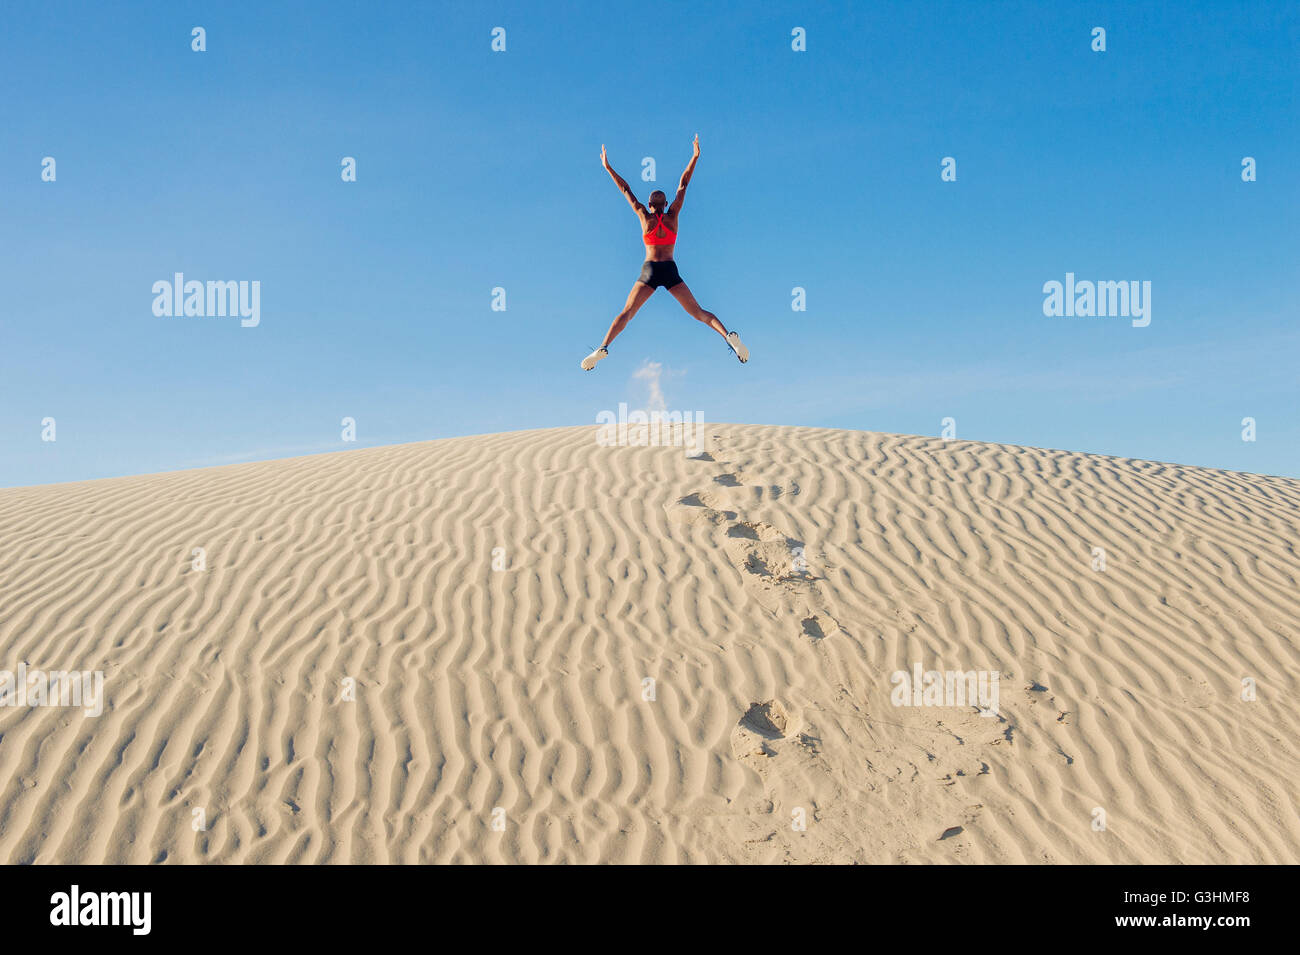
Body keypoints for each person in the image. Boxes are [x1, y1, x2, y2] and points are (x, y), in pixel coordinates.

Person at [581, 135, 748, 370]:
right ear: (666, 203)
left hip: (650, 270)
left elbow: (625, 188)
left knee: (627, 313)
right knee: (699, 312)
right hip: (670, 269)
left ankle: (604, 346)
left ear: (650, 205)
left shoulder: (643, 215)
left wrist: (608, 167)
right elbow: (684, 183)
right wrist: (695, 157)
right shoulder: (673, 215)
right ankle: (728, 335)